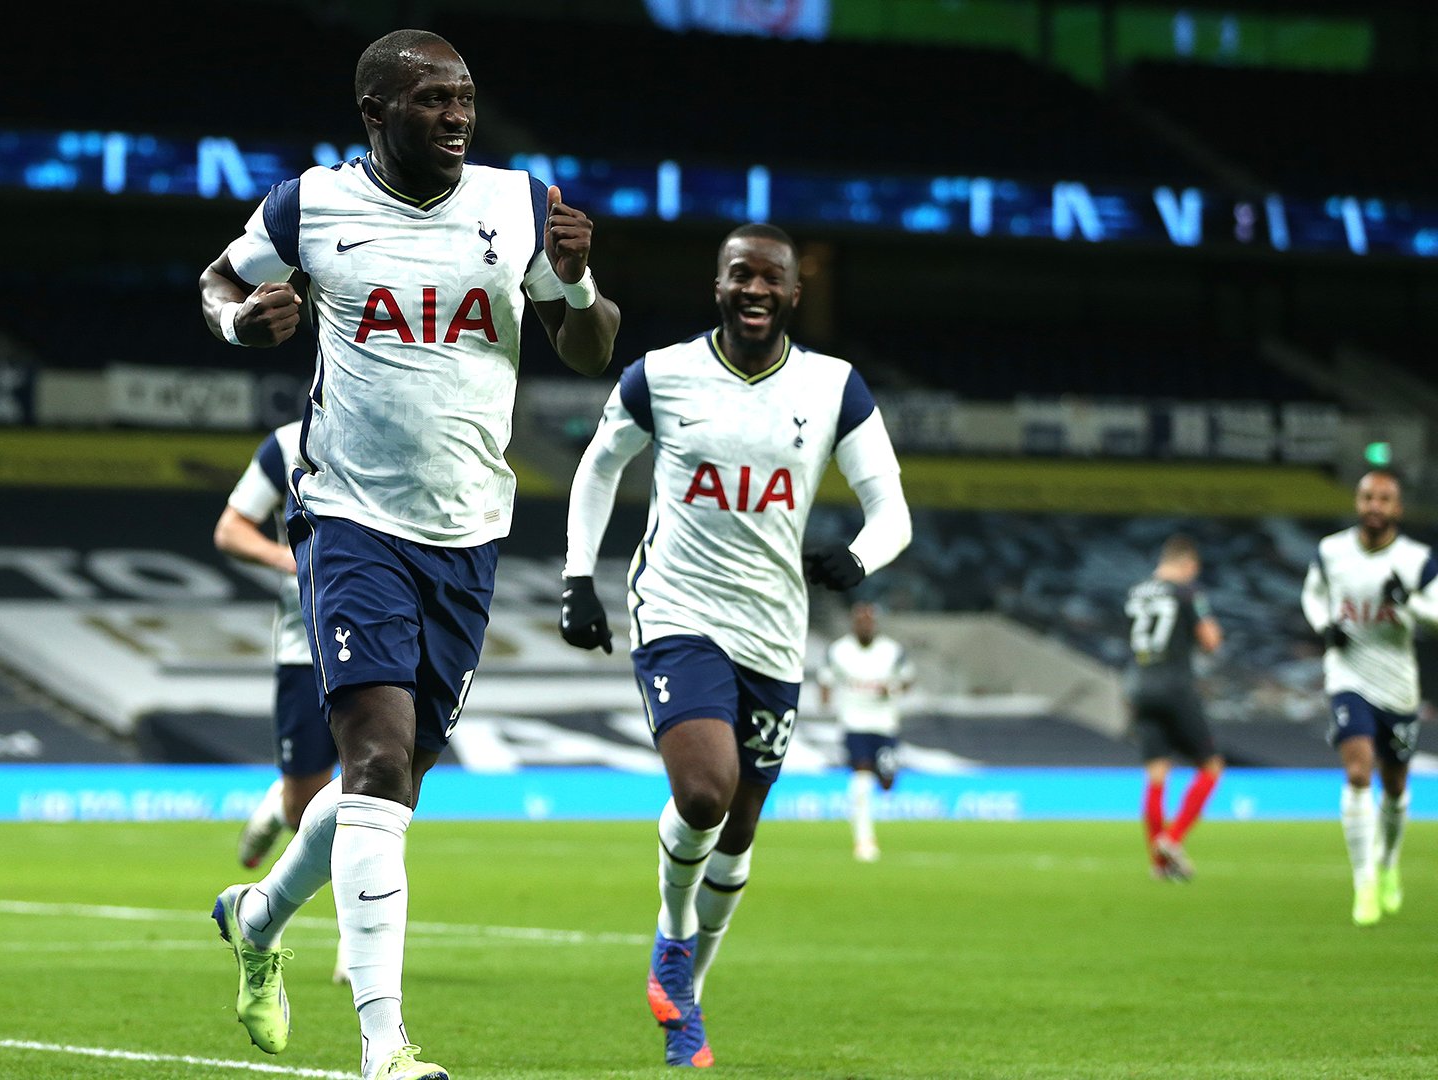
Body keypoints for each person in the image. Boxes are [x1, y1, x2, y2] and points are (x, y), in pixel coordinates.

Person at [199, 28, 620, 1080]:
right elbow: (217, 281)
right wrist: (245, 326)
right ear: (376, 114)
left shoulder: (520, 205)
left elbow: (592, 342)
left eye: (466, 97)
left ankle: (255, 918)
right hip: (349, 520)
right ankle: (385, 1049)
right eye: (432, 99)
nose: (457, 114)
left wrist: (569, 284)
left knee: (387, 781)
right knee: (379, 763)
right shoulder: (310, 205)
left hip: (469, 531)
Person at [560, 223, 910, 1067]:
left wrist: (858, 556)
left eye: (771, 279)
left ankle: (689, 999)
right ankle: (673, 940)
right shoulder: (664, 374)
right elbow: (600, 465)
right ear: (716, 286)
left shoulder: (835, 388)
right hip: (677, 610)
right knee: (706, 793)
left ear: (794, 293)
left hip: (774, 631)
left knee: (742, 829)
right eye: (738, 275)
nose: (754, 290)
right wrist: (579, 577)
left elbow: (891, 508)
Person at [217, 420, 351, 985]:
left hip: (385, 635)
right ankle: (281, 803)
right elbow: (231, 530)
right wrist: (294, 563)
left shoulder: (398, 420)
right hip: (305, 644)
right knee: (307, 809)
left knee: (378, 789)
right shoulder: (287, 442)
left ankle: (360, 941)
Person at [1302, 469, 1437, 925]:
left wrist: (1409, 602)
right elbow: (1313, 595)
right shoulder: (1331, 551)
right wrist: (1325, 626)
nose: (1374, 506)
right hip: (1348, 675)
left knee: (1395, 786)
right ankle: (1362, 882)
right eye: (1366, 497)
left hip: (1397, 684)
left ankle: (1388, 865)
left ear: (1398, 508)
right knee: (1359, 772)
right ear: (1357, 502)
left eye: (1384, 499)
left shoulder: (1418, 560)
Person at [1121, 534, 1225, 882]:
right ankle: (1171, 838)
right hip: (1175, 685)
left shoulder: (1135, 592)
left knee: (1156, 774)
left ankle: (1158, 864)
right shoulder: (1188, 593)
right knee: (1211, 766)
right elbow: (1210, 641)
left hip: (1138, 686)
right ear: (1187, 564)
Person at [820, 602, 915, 864]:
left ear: (875, 624)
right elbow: (826, 679)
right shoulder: (839, 650)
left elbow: (907, 680)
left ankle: (870, 830)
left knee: (886, 783)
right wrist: (826, 701)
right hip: (855, 724)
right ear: (853, 623)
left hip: (885, 725)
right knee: (861, 780)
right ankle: (864, 841)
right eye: (860, 621)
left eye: (868, 621)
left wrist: (893, 689)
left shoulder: (891, 650)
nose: (864, 625)